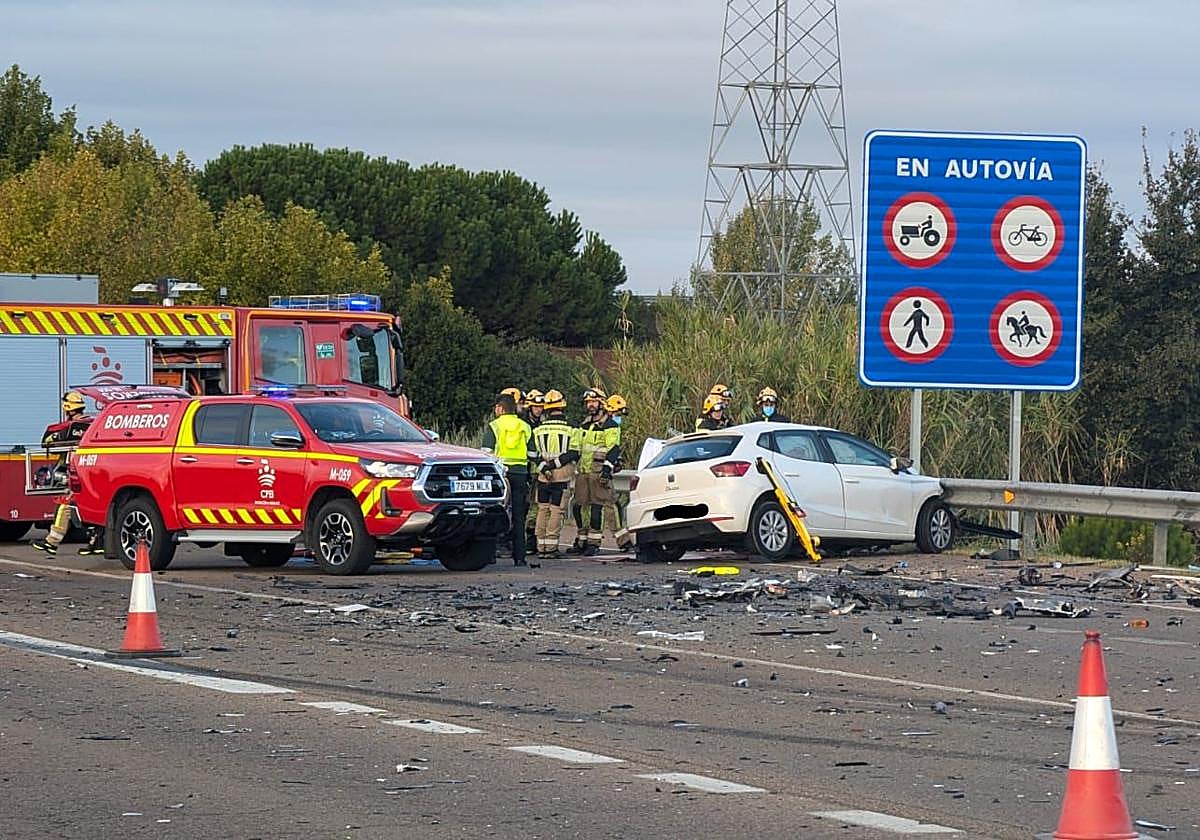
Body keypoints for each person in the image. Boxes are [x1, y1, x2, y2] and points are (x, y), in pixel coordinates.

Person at [32, 391, 102, 556]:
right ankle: (98, 542)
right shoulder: (94, 424)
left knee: (65, 505)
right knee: (91, 507)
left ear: (67, 408)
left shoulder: (68, 427)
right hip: (94, 471)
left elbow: (47, 442)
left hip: (76, 473)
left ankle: (52, 542)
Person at [482, 392, 536, 566]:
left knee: (493, 513)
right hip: (520, 473)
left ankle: (489, 555)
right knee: (519, 516)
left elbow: (486, 453)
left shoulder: (494, 426)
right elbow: (533, 454)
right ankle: (520, 557)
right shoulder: (525, 426)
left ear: (500, 408)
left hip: (500, 474)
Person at [531, 389, 579, 558]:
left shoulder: (537, 430)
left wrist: (545, 467)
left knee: (542, 509)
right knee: (556, 510)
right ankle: (551, 547)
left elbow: (532, 453)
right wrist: (555, 464)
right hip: (562, 476)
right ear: (563, 407)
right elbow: (574, 453)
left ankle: (541, 546)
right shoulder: (571, 429)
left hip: (543, 476)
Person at [574, 387, 620, 556]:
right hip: (583, 472)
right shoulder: (585, 424)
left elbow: (613, 448)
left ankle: (594, 543)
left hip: (598, 472)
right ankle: (582, 540)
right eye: (588, 403)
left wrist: (607, 470)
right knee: (580, 507)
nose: (590, 405)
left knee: (597, 508)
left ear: (601, 403)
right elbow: (578, 448)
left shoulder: (610, 425)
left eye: (593, 402)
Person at [603, 394, 633, 550]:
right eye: (618, 414)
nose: (620, 418)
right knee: (611, 504)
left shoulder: (608, 425)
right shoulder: (610, 426)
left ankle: (585, 540)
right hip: (600, 471)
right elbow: (610, 448)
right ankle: (623, 539)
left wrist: (617, 461)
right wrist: (607, 467)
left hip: (594, 469)